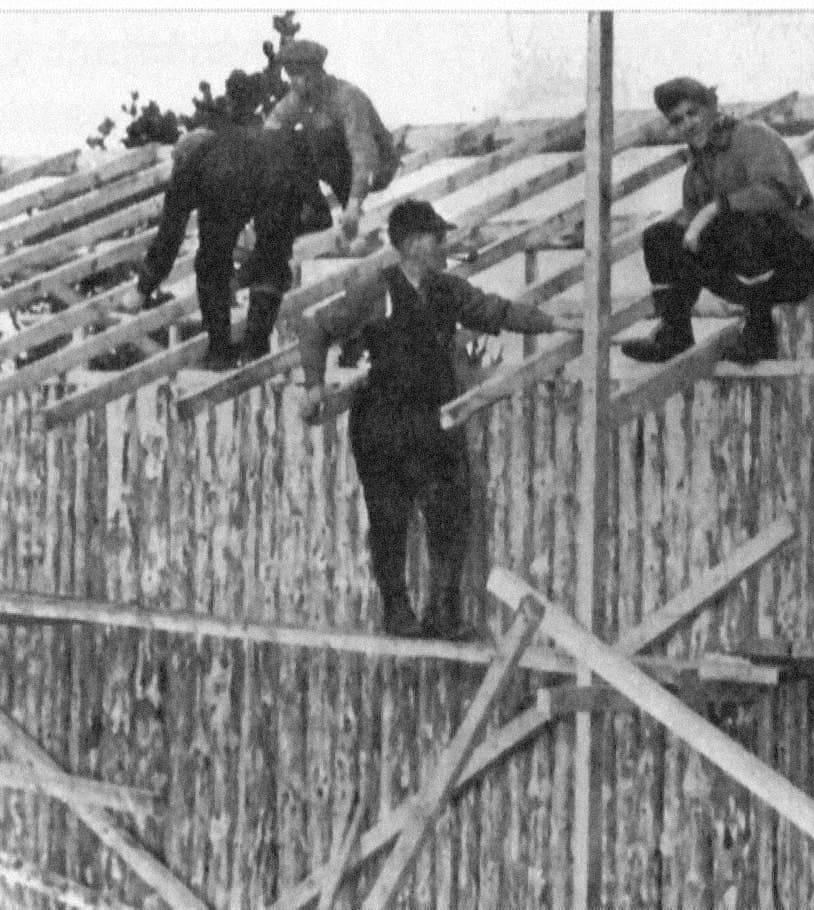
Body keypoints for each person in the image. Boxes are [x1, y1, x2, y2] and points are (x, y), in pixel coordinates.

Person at [296, 200, 580, 639]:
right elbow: (316, 329)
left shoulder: (446, 289)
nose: (445, 244)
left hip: (433, 420)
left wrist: (553, 322)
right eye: (437, 237)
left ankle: (442, 615)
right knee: (389, 520)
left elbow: (496, 311)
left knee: (449, 515)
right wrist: (314, 384)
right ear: (411, 244)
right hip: (384, 421)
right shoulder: (377, 290)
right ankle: (397, 612)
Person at [619, 77, 814, 366]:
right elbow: (693, 238)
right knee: (660, 236)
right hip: (747, 276)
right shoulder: (695, 173)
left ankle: (760, 334)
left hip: (797, 264)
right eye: (678, 120)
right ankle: (674, 334)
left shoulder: (751, 137)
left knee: (741, 223)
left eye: (693, 113)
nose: (688, 124)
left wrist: (713, 210)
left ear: (711, 106)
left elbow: (779, 193)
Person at [131, 125, 313, 370]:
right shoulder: (239, 149)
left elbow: (169, 237)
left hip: (253, 184)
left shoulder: (193, 167)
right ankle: (255, 349)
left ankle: (220, 353)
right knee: (272, 258)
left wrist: (143, 287)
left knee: (210, 263)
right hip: (278, 180)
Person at [264, 39, 401, 244]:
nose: (293, 81)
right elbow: (269, 132)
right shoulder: (298, 99)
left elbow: (363, 153)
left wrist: (354, 205)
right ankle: (315, 212)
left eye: (299, 75)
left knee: (326, 140)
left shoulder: (347, 97)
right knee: (283, 143)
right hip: (339, 164)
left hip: (377, 167)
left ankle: (350, 209)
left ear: (315, 72)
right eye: (290, 74)